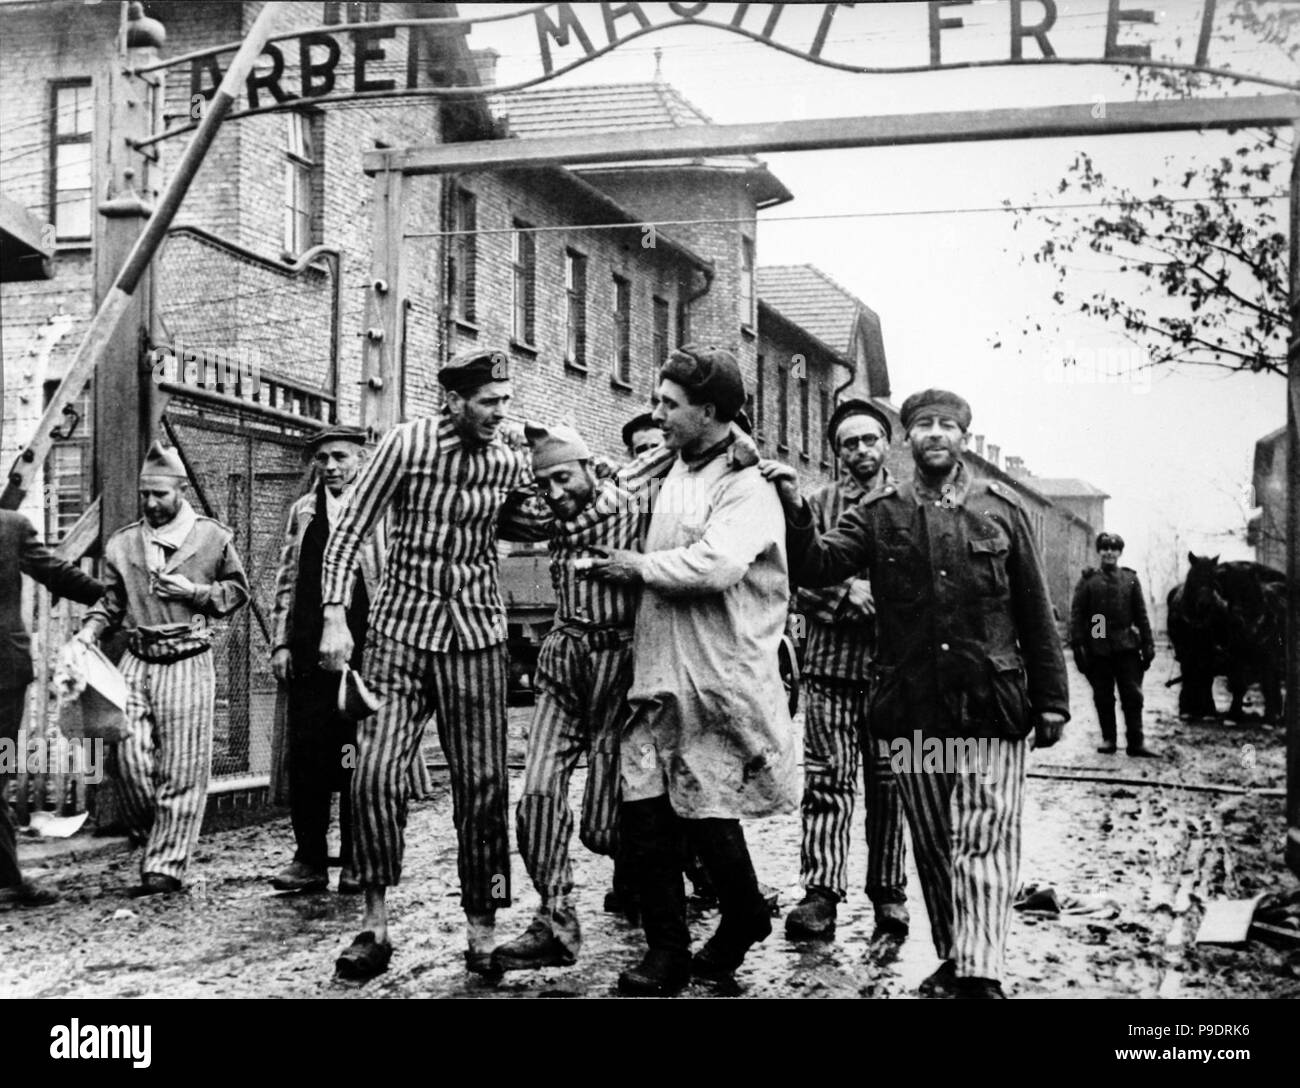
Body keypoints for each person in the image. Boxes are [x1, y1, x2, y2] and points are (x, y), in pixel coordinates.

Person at [765, 388, 1069, 999]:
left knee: (987, 832)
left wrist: (1052, 698)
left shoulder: (1001, 511)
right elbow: (817, 565)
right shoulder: (883, 514)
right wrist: (794, 505)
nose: (935, 434)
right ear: (909, 439)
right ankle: (959, 957)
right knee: (933, 842)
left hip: (991, 706)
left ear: (962, 437)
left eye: (947, 425)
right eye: (923, 425)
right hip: (913, 715)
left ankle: (981, 974)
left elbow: (1035, 610)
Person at [592, 345, 798, 996]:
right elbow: (619, 491)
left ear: (709, 412)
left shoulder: (747, 485)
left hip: (716, 674)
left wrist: (637, 566)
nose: (656, 414)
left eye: (669, 405)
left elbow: (716, 566)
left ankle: (741, 917)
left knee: (706, 809)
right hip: (659, 668)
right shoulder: (676, 466)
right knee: (645, 811)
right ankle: (667, 952)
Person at [319, 348, 530, 981]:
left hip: (477, 637)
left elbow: (536, 517)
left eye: (504, 402)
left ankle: (483, 929)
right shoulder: (407, 445)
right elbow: (350, 527)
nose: (500, 413)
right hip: (399, 635)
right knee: (374, 776)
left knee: (485, 789)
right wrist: (334, 614)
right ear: (454, 400)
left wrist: (569, 477)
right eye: (488, 402)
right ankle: (374, 925)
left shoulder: (508, 456)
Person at [491, 424, 670, 971]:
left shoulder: (635, 508)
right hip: (564, 662)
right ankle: (555, 917)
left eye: (564, 476)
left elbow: (672, 456)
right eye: (544, 482)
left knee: (603, 827)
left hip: (621, 668)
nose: (554, 492)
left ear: (592, 468)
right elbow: (492, 500)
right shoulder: (545, 511)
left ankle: (682, 863)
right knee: (538, 794)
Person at [77, 441, 250, 897]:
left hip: (189, 657)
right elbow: (111, 601)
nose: (152, 504)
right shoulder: (123, 542)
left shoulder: (213, 537)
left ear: (180, 490)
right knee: (125, 753)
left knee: (182, 767)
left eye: (161, 495)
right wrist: (89, 632)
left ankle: (165, 866)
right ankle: (159, 832)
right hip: (137, 657)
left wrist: (194, 592)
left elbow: (236, 594)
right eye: (145, 495)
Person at [784, 399, 909, 943]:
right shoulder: (815, 504)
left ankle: (888, 891)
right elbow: (788, 569)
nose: (860, 451)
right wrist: (841, 592)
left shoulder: (912, 505)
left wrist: (881, 595)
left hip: (895, 673)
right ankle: (821, 892)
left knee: (892, 784)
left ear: (887, 444)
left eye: (869, 440)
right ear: (836, 453)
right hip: (831, 668)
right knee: (827, 781)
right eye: (848, 443)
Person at [268, 425, 381, 894]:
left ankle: (357, 858)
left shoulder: (379, 510)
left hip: (363, 653)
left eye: (341, 457)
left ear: (360, 459)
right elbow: (287, 579)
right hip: (309, 653)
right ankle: (309, 857)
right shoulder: (304, 512)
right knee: (307, 757)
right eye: (323, 459)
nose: (332, 467)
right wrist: (280, 642)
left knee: (358, 755)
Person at [0, 511, 104, 910]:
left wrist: (111, 595)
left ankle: (6, 880)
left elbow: (56, 573)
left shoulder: (11, 527)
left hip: (1, 674)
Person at [1070, 532, 1156, 757]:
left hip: (1126, 647)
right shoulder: (1089, 581)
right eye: (1105, 548)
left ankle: (1136, 742)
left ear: (1120, 552)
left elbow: (1141, 614)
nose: (1109, 552)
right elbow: (1078, 615)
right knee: (1103, 695)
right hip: (1099, 648)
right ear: (1099, 551)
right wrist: (1079, 646)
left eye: (1114, 548)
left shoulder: (1130, 579)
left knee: (1133, 695)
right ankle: (1109, 739)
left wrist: (1148, 643)